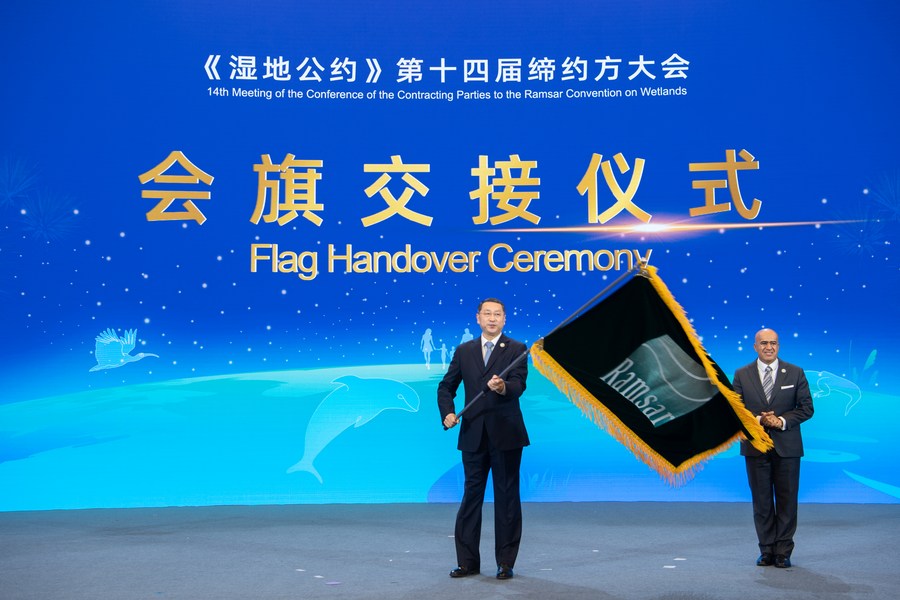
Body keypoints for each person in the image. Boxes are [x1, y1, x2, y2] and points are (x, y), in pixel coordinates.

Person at [438, 298, 529, 581]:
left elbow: (519, 385)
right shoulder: (464, 351)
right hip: (473, 435)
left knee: (507, 499)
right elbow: (446, 386)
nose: (492, 318)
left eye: (497, 314)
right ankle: (467, 563)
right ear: (478, 318)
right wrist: (448, 412)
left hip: (507, 435)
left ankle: (505, 562)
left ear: (504, 319)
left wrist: (502, 387)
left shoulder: (517, 349)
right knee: (471, 498)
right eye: (487, 314)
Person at [732, 328, 814, 569]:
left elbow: (806, 408)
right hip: (755, 447)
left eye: (773, 343)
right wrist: (760, 420)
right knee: (762, 502)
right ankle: (766, 550)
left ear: (778, 346)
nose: (769, 347)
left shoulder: (796, 372)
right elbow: (735, 410)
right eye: (764, 343)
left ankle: (783, 552)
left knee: (787, 501)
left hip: (788, 448)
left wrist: (780, 421)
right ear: (755, 346)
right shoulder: (741, 374)